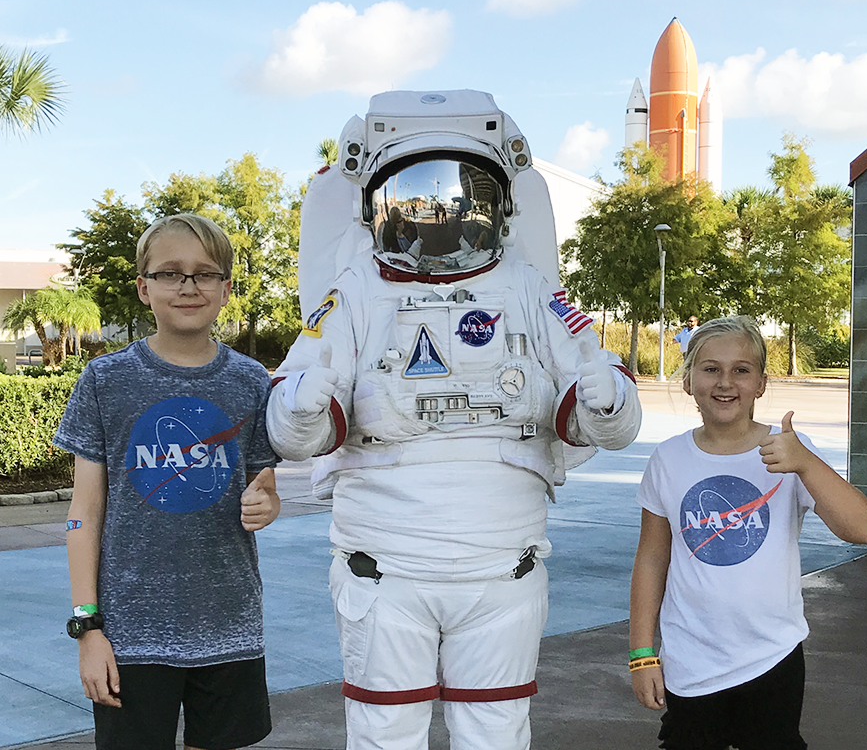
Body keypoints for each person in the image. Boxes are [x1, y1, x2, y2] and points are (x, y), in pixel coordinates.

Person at [267, 89, 643, 750]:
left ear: (498, 208)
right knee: (386, 733)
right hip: (386, 563)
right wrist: (301, 406)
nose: (438, 213)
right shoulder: (354, 292)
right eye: (416, 195)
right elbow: (298, 422)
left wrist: (606, 400)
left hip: (501, 568)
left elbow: (596, 407)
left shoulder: (530, 288)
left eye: (457, 195)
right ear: (377, 209)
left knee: (495, 733)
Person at [55, 213, 282, 750]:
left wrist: (267, 502)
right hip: (129, 639)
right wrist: (88, 628)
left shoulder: (251, 381)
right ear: (143, 286)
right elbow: (83, 513)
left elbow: (265, 486)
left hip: (230, 628)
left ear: (226, 289)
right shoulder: (105, 381)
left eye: (205, 273)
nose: (188, 285)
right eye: (170, 273)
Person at [629, 316, 867, 750]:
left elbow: (862, 529)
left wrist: (806, 462)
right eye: (710, 368)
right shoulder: (668, 460)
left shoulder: (788, 452)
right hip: (691, 661)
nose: (726, 382)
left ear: (761, 383)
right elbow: (652, 558)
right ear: (688, 381)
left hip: (771, 656)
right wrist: (641, 654)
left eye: (741, 370)